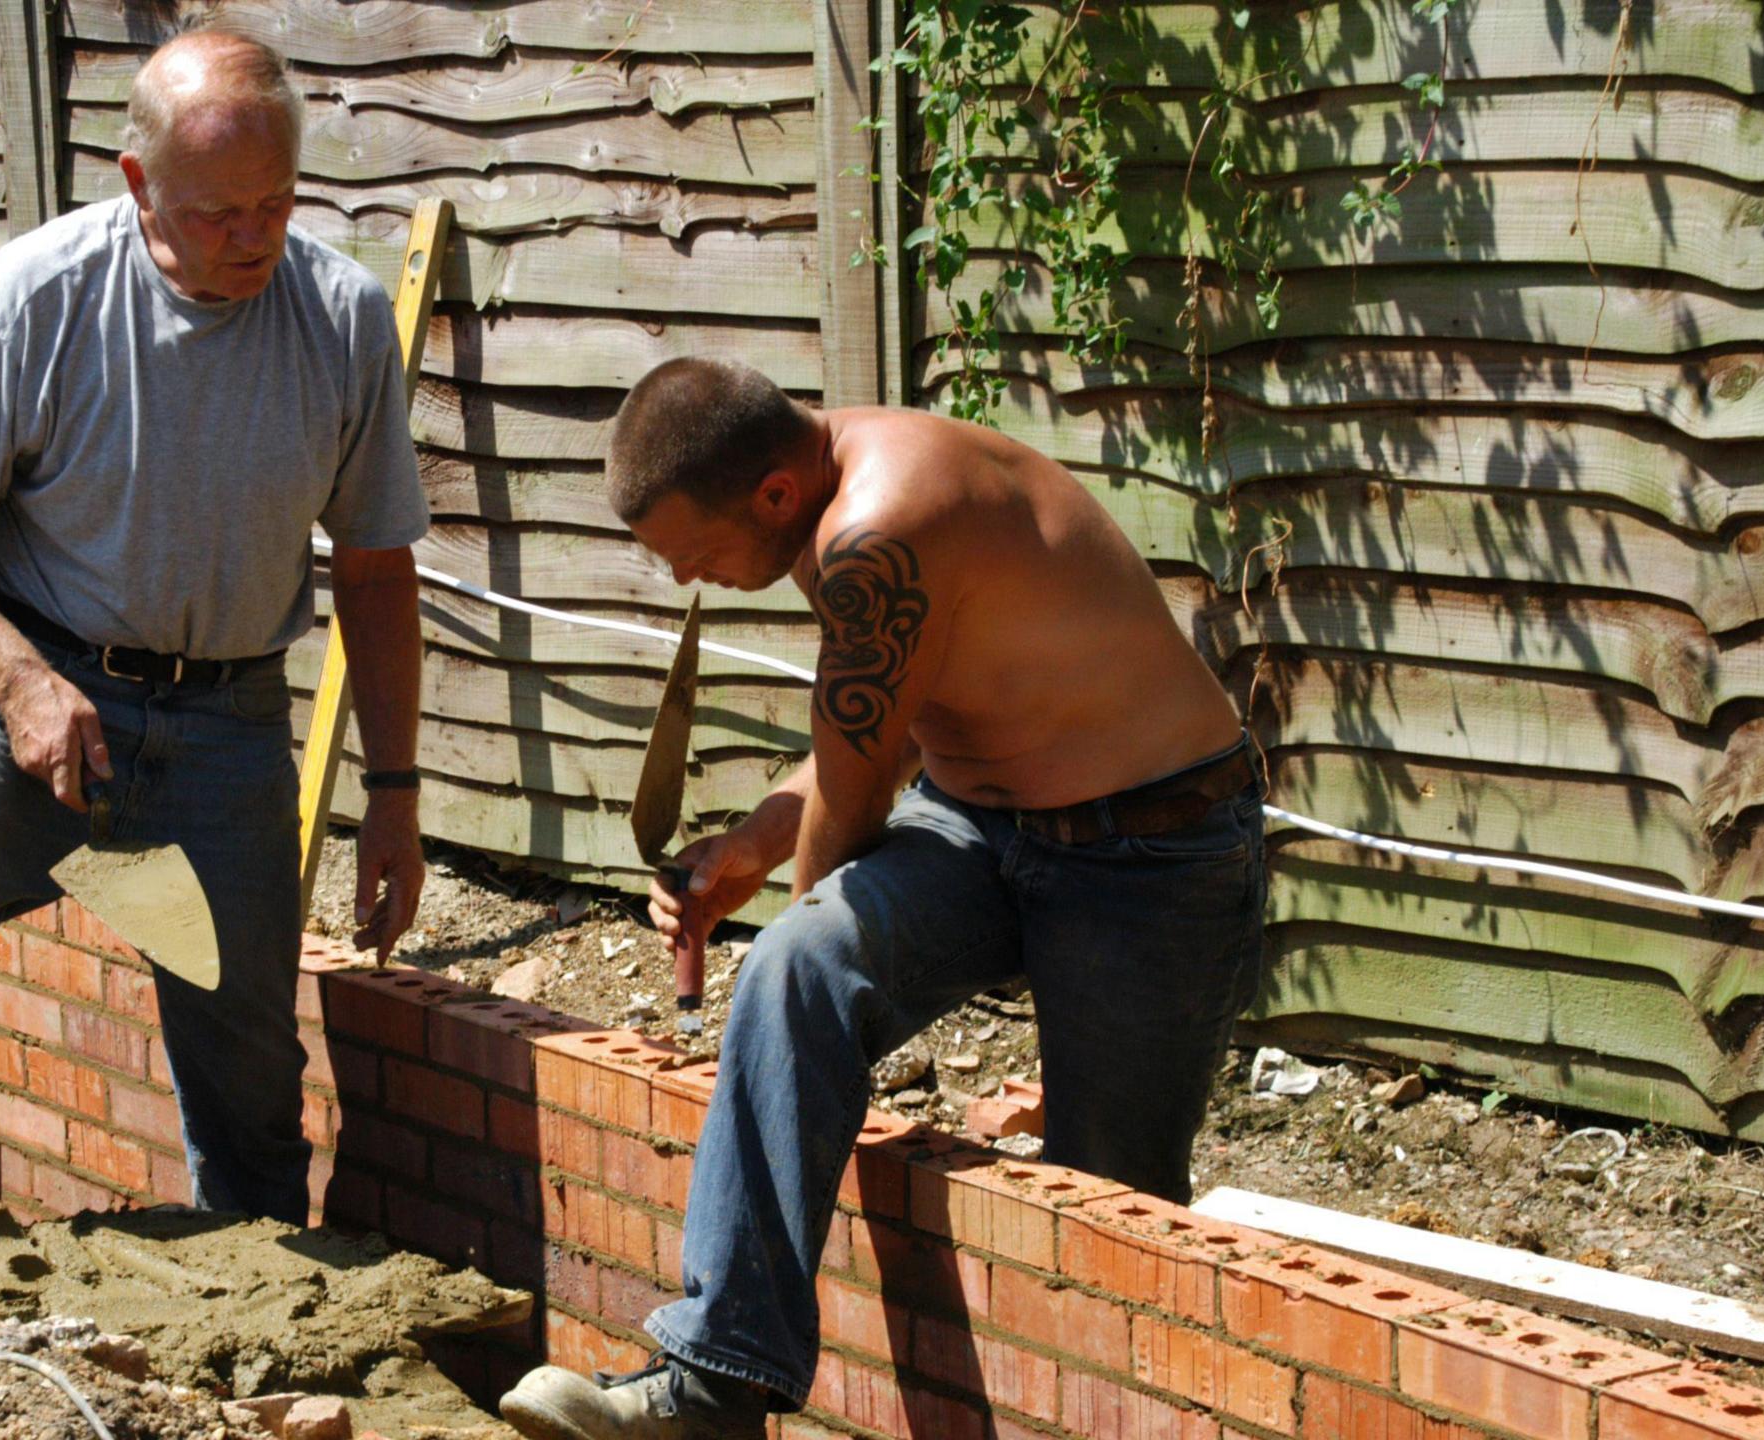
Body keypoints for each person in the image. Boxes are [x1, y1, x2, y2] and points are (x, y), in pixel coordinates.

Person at [499, 359, 1266, 1440]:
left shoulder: (878, 523)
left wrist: (814, 893)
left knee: (1112, 1194)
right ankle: (716, 1385)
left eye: (697, 555)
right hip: (981, 830)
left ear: (771, 495)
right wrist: (758, 845)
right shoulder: (829, 498)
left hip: (1150, 850)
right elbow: (883, 723)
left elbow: (855, 793)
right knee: (797, 967)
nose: (689, 584)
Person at [0, 30, 430, 1226]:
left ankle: (248, 1316)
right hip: (36, 695)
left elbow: (375, 571)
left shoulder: (341, 316)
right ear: (137, 184)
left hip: (223, 729)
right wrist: (16, 685)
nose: (255, 237)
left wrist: (399, 793)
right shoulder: (41, 295)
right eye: (219, 213)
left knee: (254, 1088)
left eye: (275, 203)